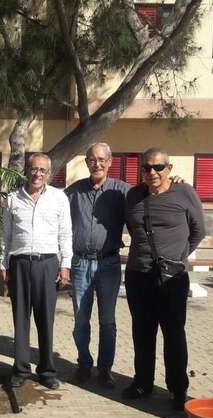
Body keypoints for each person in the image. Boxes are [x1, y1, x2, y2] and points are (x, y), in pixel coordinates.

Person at [122, 147, 205, 410]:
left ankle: (178, 389)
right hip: (139, 274)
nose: (152, 172)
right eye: (146, 167)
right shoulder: (133, 195)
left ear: (169, 169)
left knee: (173, 334)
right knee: (142, 332)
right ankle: (143, 382)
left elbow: (198, 231)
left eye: (158, 167)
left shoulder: (184, 192)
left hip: (172, 278)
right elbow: (131, 227)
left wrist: (178, 256)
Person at [0, 152, 73, 390]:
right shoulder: (12, 199)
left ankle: (47, 370)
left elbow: (66, 234)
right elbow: (5, 236)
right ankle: (20, 369)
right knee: (20, 318)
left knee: (45, 319)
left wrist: (65, 265)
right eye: (33, 169)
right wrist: (2, 263)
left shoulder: (59, 199)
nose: (37, 174)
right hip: (19, 264)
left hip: (47, 263)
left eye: (42, 170)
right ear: (26, 171)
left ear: (49, 174)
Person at [65, 143, 129, 388]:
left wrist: (175, 182)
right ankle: (83, 365)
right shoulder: (74, 192)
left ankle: (105, 370)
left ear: (110, 161)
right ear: (87, 162)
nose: (97, 164)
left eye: (102, 159)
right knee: (81, 319)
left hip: (109, 264)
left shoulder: (122, 192)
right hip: (80, 263)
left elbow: (150, 196)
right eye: (92, 160)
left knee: (107, 321)